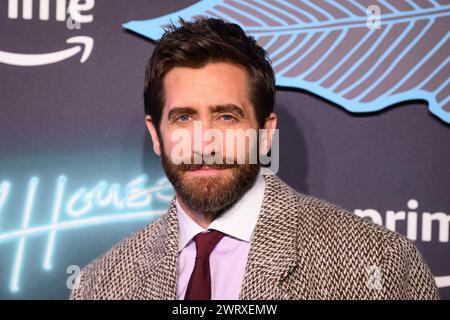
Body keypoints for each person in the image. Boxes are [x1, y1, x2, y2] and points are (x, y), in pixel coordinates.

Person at [70, 18, 438, 300]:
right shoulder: (98, 285)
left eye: (227, 117)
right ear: (156, 135)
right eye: (184, 118)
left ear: (266, 133)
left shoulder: (380, 263)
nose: (204, 143)